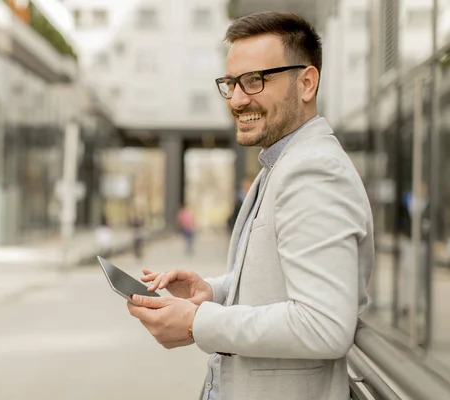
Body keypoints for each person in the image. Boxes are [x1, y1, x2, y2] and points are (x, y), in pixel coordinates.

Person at [127, 12, 374, 400]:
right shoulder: (282, 163)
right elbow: (284, 278)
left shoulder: (313, 171)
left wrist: (198, 323)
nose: (238, 99)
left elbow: (324, 324)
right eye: (231, 83)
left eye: (255, 80)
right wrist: (212, 292)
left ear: (306, 82)